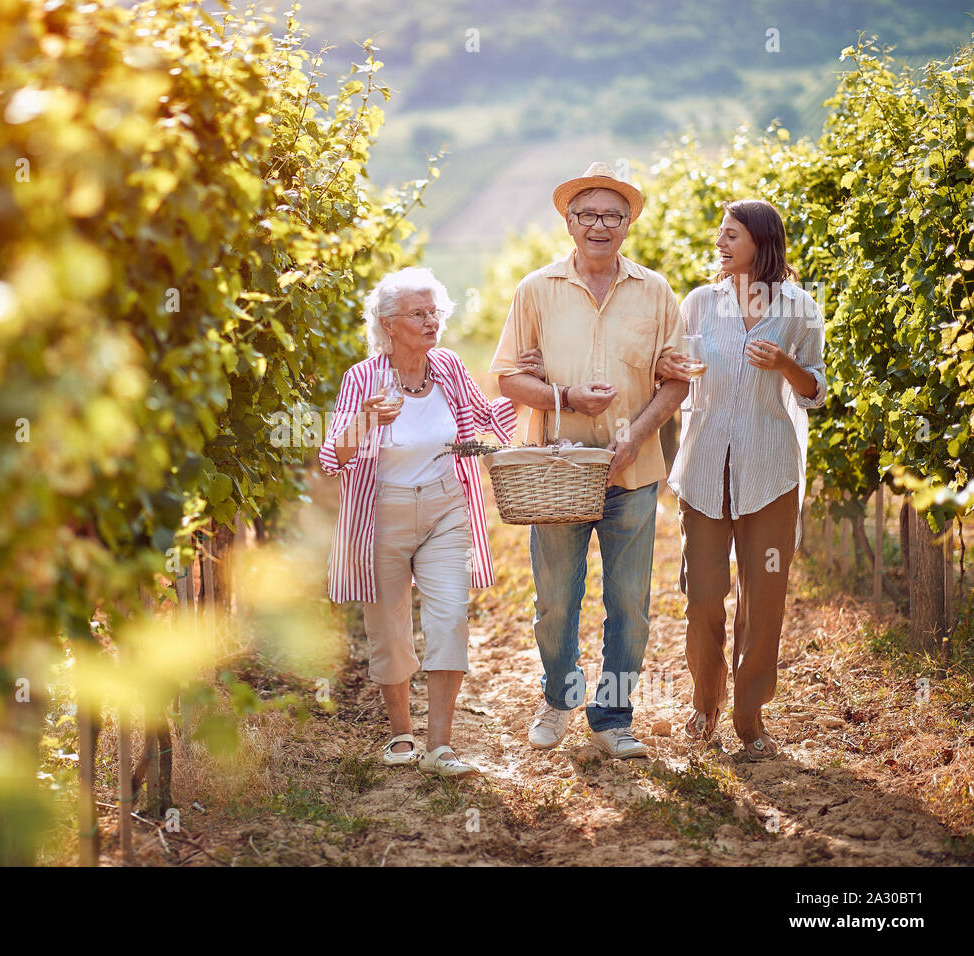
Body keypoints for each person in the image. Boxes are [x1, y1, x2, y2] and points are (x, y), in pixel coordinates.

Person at [491, 162, 688, 759]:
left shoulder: (656, 293)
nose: (599, 225)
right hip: (557, 473)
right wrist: (565, 397)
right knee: (555, 602)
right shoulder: (536, 290)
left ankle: (614, 716)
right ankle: (557, 697)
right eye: (588, 215)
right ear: (569, 222)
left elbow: (675, 382)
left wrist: (637, 434)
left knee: (630, 604)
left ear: (628, 224)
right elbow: (505, 378)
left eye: (611, 215)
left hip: (632, 472)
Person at [319, 267, 517, 777]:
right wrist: (365, 420)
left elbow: (486, 420)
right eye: (419, 314)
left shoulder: (447, 366)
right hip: (381, 514)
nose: (432, 322)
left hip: (446, 505)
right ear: (389, 324)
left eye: (435, 312)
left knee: (450, 617)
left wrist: (532, 387)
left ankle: (440, 746)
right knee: (389, 630)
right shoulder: (362, 379)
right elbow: (331, 458)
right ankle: (401, 734)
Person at [656, 199, 826, 759]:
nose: (720, 243)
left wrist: (784, 365)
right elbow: (670, 369)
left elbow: (816, 391)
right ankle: (704, 706)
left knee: (765, 599)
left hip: (771, 471)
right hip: (705, 469)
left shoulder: (800, 308)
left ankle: (749, 718)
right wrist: (672, 369)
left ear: (760, 241)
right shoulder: (700, 304)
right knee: (703, 595)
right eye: (720, 235)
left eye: (732, 235)